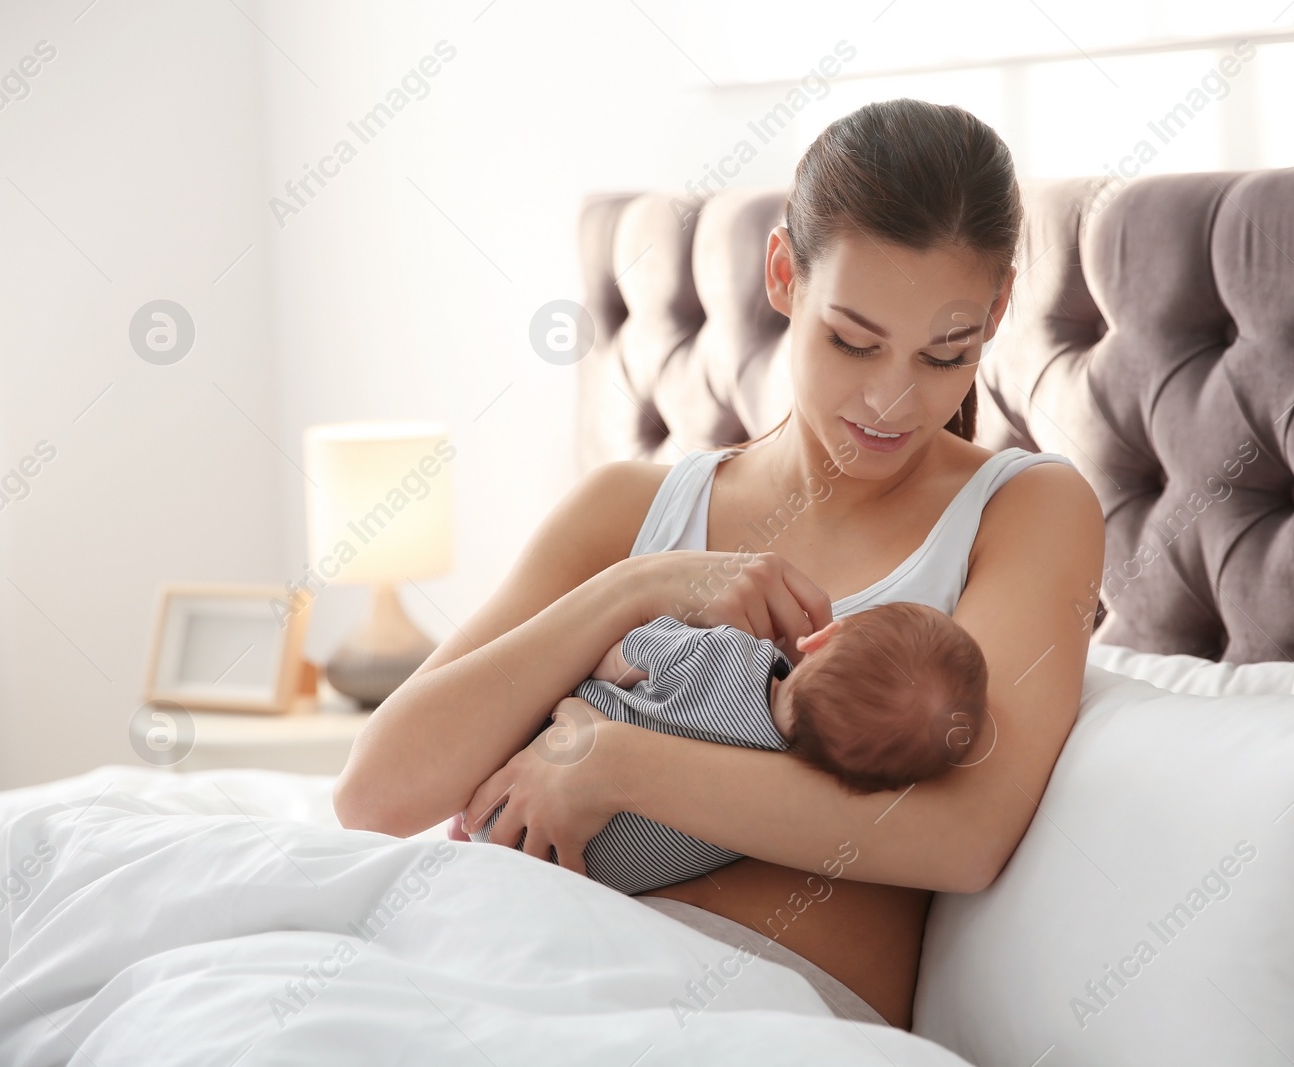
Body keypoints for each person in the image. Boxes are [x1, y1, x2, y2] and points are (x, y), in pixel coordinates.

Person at [334, 96, 1105, 1031]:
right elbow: (375, 793)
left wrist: (614, 763)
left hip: (749, 1015)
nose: (892, 401)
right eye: (852, 341)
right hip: (509, 965)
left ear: (998, 311)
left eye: (947, 353)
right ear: (783, 275)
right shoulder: (629, 510)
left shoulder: (1024, 510)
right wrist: (642, 585)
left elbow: (966, 834)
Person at [453, 603, 988, 898]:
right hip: (565, 880)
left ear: (821, 638)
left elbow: (616, 655)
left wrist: (589, 694)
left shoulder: (727, 654)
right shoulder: (768, 812)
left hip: (513, 787)